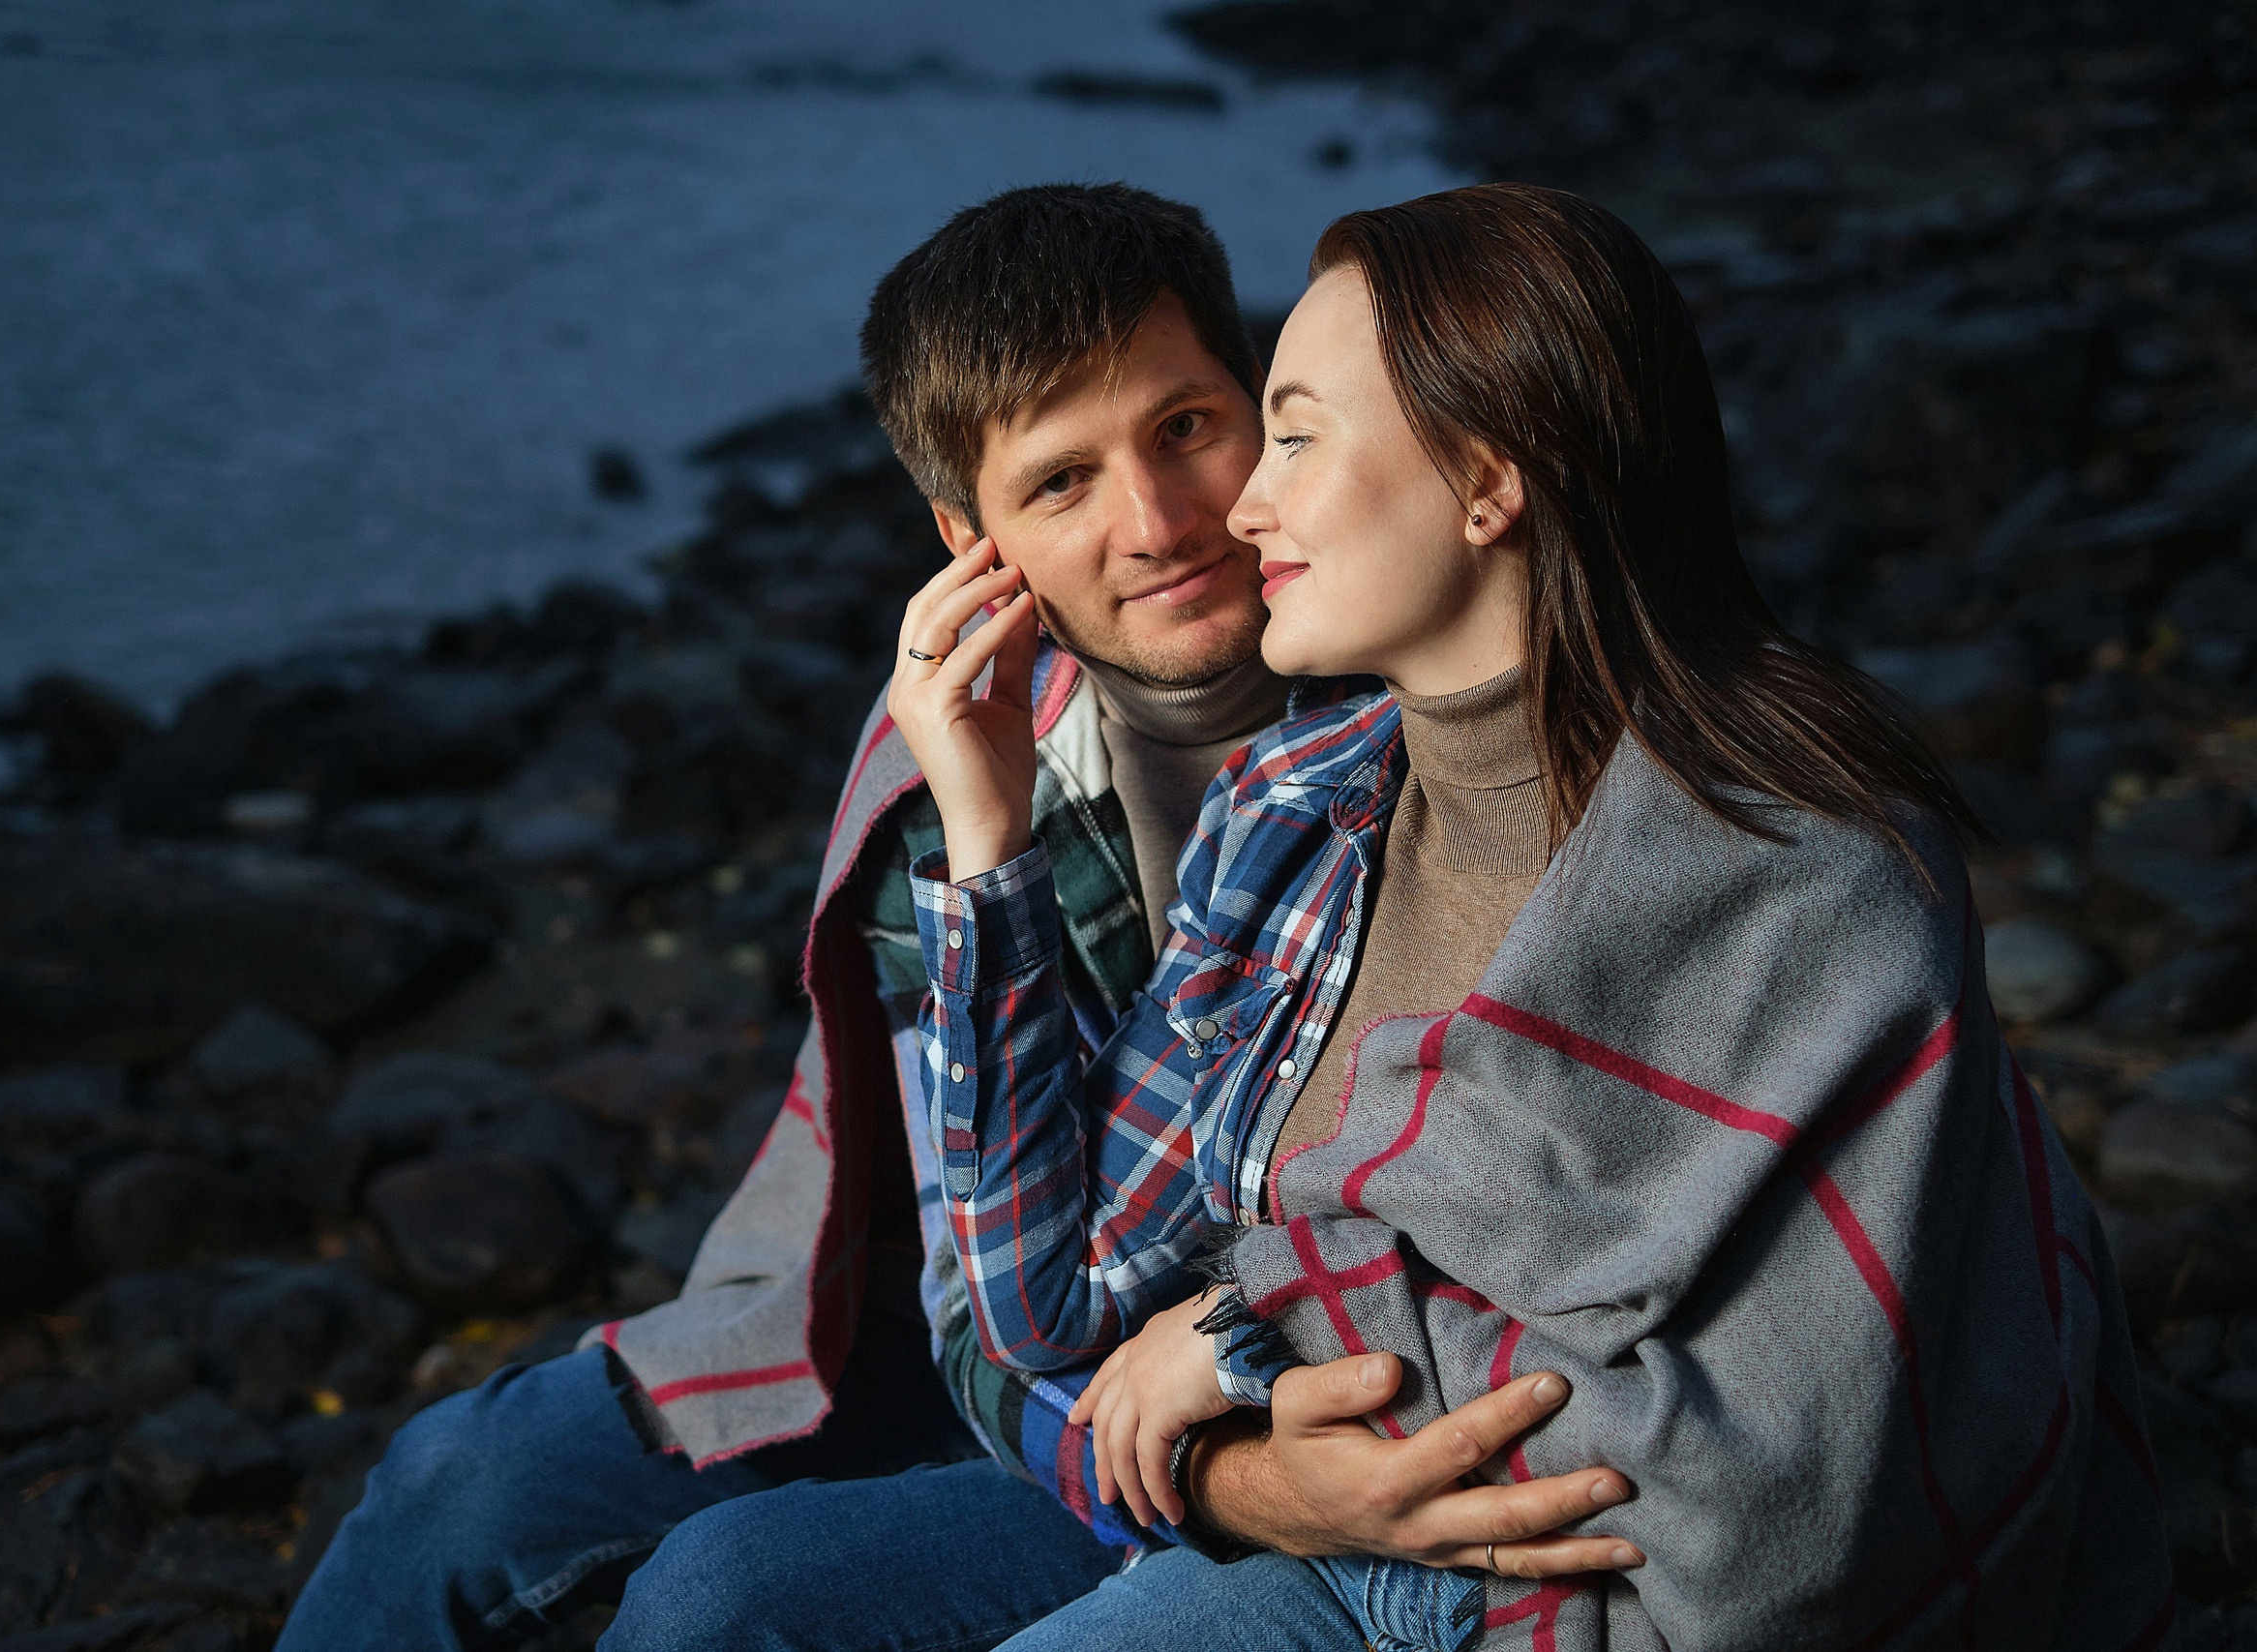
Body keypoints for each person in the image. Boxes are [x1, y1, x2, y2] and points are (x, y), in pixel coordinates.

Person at [278, 184, 1628, 1652]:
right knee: (456, 1479)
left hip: (1278, 1356)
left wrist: (1229, 1459)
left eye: (1188, 427)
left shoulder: (1433, 692)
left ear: (1272, 406)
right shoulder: (957, 748)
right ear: (969, 538)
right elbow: (982, 1311)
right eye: (1061, 484)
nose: (1160, 524)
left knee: (719, 1601)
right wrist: (988, 849)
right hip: (1016, 1338)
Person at [887, 183, 2175, 1649]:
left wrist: (1258, 1325)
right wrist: (985, 852)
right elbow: (1047, 1307)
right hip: (1303, 1515)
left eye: (1280, 436)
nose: (1230, 513)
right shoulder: (1300, 804)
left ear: (1488, 480)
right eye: (1066, 480)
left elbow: (1777, 1482)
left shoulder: (1791, 865)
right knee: (725, 1593)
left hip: (1557, 1595)